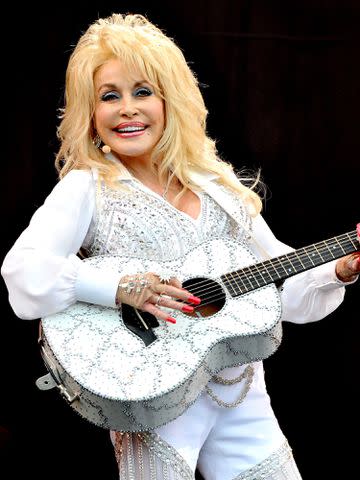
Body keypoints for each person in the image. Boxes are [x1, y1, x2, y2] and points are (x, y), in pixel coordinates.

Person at [1, 13, 359, 480]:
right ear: (90, 113)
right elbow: (24, 270)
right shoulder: (87, 188)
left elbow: (279, 288)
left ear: (171, 101)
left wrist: (338, 271)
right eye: (110, 96)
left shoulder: (217, 186)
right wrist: (121, 287)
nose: (127, 108)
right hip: (151, 400)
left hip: (241, 393)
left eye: (142, 91)